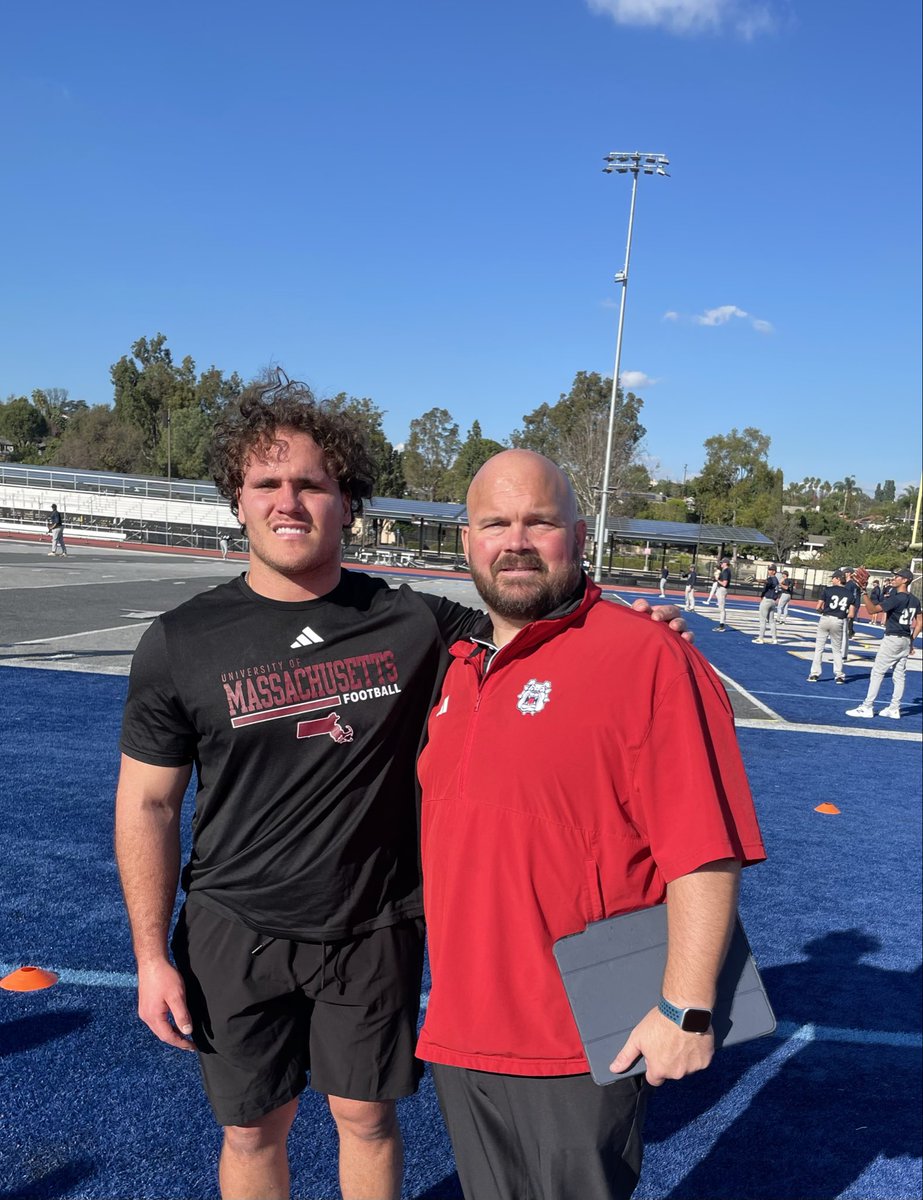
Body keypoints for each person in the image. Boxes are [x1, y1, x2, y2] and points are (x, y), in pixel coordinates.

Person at [114, 378, 690, 1200]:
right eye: (265, 484)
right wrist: (146, 956)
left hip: (374, 924)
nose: (288, 501)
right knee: (250, 1130)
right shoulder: (177, 642)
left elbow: (536, 629)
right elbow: (148, 805)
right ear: (235, 502)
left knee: (367, 1119)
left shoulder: (413, 621)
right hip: (232, 926)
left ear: (347, 501)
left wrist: (629, 629)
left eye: (311, 483)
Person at [415, 450, 766, 1200]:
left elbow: (705, 848)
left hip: (576, 1038)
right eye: (494, 523)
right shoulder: (457, 667)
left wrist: (685, 1006)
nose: (515, 540)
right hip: (460, 1025)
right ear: (467, 543)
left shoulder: (646, 657)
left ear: (577, 537)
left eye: (538, 522)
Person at [846, 569, 922, 719]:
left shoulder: (896, 598)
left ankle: (867, 706)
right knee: (899, 675)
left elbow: (871, 610)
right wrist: (912, 640)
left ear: (905, 580)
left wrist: (863, 592)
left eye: (897, 577)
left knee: (877, 672)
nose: (894, 578)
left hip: (893, 638)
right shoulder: (915, 599)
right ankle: (894, 708)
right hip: (905, 639)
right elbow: (920, 623)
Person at [807, 569, 854, 684]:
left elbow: (818, 607)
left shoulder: (827, 590)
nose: (832, 580)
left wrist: (824, 612)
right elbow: (851, 614)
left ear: (838, 579)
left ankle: (814, 674)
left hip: (826, 618)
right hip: (838, 620)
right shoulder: (849, 594)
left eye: (833, 578)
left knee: (819, 648)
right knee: (837, 650)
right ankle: (839, 675)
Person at [753, 564, 780, 644]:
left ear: (774, 571)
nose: (769, 571)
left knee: (762, 620)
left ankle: (760, 638)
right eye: (769, 569)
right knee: (771, 621)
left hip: (767, 600)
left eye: (771, 570)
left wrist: (756, 580)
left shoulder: (771, 579)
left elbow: (767, 581)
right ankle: (774, 639)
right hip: (773, 601)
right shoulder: (777, 580)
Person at [713, 557, 732, 631]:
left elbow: (724, 583)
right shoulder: (724, 570)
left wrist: (717, 580)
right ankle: (721, 625)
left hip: (722, 589)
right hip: (720, 589)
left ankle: (722, 626)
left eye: (722, 562)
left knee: (722, 609)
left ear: (725, 563)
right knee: (721, 608)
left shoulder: (726, 571)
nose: (721, 564)